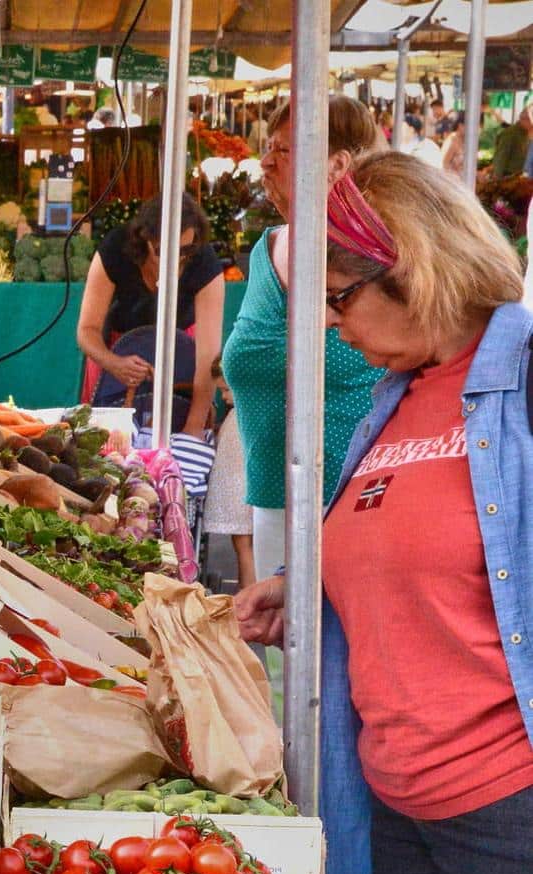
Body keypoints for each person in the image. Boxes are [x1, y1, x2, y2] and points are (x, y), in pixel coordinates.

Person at [234, 152, 533, 874]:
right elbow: (408, 554)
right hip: (399, 804)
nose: (331, 324)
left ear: (413, 269)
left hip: (508, 810)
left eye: (338, 297)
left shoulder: (522, 384)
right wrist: (307, 586)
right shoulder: (392, 402)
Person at [221, 96, 384, 581]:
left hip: (355, 502)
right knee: (281, 650)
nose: (266, 161)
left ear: (336, 164)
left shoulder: (373, 252)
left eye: (286, 150)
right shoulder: (267, 247)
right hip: (273, 494)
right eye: (268, 148)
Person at [75, 192, 225, 435]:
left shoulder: (205, 262)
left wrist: (193, 427)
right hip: (117, 346)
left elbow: (208, 356)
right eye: (162, 250)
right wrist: (113, 363)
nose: (175, 262)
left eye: (185, 251)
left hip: (184, 351)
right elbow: (86, 330)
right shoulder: (116, 247)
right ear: (144, 238)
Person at [204, 357, 254, 589]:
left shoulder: (242, 417)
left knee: (244, 547)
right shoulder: (245, 414)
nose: (224, 397)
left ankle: (247, 592)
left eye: (226, 389)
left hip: (240, 493)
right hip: (245, 491)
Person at [491, 102, 532, 177]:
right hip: (508, 176)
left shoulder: (526, 133)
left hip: (520, 176)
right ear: (525, 119)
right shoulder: (510, 134)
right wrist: (497, 178)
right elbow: (501, 157)